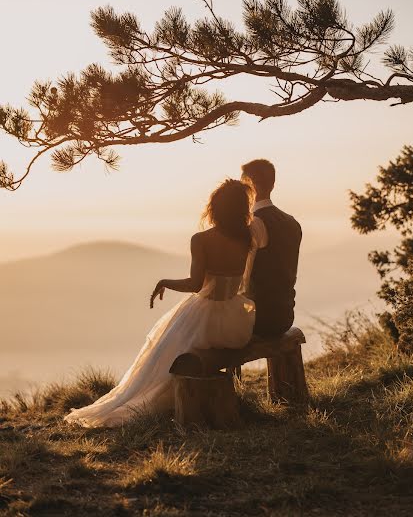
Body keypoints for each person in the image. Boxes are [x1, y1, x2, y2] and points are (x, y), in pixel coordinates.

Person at [64, 179, 266, 428]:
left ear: (215, 207)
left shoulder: (201, 239)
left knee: (161, 353)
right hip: (236, 322)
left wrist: (164, 281)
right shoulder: (248, 236)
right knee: (172, 348)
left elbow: (195, 285)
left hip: (207, 318)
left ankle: (152, 402)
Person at [241, 159, 302, 338]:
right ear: (272, 184)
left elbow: (243, 279)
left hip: (259, 319)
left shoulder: (253, 224)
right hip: (285, 316)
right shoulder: (292, 223)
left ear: (249, 184)